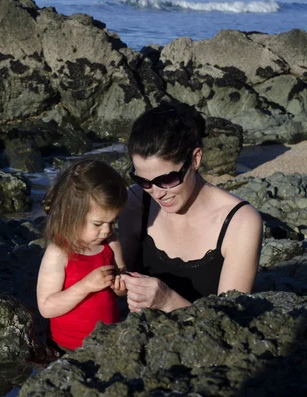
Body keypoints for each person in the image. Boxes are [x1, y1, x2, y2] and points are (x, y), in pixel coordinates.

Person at [119, 101, 263, 313]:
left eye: (167, 179)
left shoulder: (240, 222)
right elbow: (119, 292)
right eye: (144, 181)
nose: (157, 193)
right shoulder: (135, 202)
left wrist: (168, 301)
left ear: (195, 159)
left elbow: (233, 320)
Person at [36, 159, 128, 352]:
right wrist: (85, 286)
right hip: (67, 347)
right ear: (71, 215)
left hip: (109, 342)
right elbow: (46, 307)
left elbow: (121, 287)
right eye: (98, 224)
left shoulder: (111, 244)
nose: (107, 230)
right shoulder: (59, 251)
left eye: (113, 221)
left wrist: (122, 286)